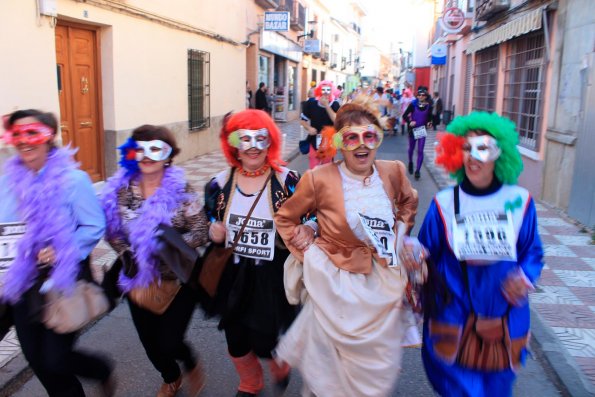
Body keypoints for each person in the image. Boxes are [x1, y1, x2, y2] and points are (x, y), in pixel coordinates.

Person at [274, 98, 419, 397]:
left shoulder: (393, 171)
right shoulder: (318, 179)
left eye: (370, 136)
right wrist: (308, 252)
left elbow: (408, 201)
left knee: (375, 367)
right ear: (338, 143)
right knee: (328, 367)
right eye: (351, 138)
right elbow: (286, 217)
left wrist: (399, 235)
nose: (361, 145)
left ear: (378, 138)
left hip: (381, 282)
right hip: (334, 283)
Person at [408, 111, 544, 397]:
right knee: (458, 387)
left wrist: (524, 277)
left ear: (499, 154)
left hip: (504, 315)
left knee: (497, 389)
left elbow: (532, 251)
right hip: (452, 312)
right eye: (466, 148)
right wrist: (413, 252)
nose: (472, 156)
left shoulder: (519, 201)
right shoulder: (444, 203)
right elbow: (426, 249)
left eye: (483, 148)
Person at [0, 109, 114, 397]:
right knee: (38, 361)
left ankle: (99, 369)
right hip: (21, 285)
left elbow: (94, 224)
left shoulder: (73, 181)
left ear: (49, 137)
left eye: (32, 133)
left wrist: (64, 250)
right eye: (17, 134)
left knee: (56, 358)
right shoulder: (5, 183)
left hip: (64, 282)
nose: (24, 141)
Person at [204, 109, 308, 397]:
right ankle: (250, 383)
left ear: (269, 141)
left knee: (264, 339)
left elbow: (313, 215)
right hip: (233, 272)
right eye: (243, 138)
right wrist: (213, 227)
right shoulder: (219, 182)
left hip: (272, 274)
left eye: (259, 138)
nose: (251, 146)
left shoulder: (288, 180)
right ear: (233, 143)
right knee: (235, 337)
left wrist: (307, 228)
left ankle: (278, 362)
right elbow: (209, 215)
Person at [101, 124, 209, 397]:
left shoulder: (181, 190)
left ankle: (190, 362)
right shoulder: (123, 189)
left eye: (156, 149)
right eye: (141, 149)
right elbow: (112, 231)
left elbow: (200, 231)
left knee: (170, 341)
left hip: (179, 277)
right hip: (138, 277)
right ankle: (171, 378)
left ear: (168, 154)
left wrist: (165, 244)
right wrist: (125, 251)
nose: (148, 156)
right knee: (150, 343)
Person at [300, 80, 341, 169]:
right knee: (314, 169)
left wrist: (326, 105)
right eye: (323, 89)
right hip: (314, 141)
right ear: (319, 90)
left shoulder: (335, 104)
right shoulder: (311, 104)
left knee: (326, 169)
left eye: (328, 90)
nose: (326, 92)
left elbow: (336, 121)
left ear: (331, 91)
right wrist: (309, 128)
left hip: (329, 143)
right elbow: (303, 120)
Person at [402, 88, 433, 180]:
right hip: (413, 130)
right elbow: (404, 115)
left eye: (423, 95)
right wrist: (409, 121)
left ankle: (418, 171)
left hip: (421, 130)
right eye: (419, 95)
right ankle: (411, 162)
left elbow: (430, 118)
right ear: (417, 96)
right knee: (411, 149)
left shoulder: (429, 106)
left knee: (420, 150)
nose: (421, 96)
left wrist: (429, 123)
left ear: (426, 96)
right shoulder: (412, 105)